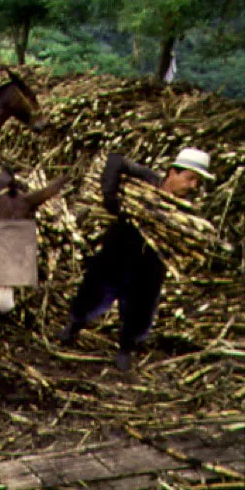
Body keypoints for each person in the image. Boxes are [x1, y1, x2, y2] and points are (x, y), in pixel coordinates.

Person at [58, 147, 214, 370]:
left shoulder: (184, 213)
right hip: (119, 246)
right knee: (94, 288)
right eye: (190, 179)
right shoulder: (147, 182)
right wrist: (109, 195)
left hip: (151, 262)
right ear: (173, 172)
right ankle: (73, 326)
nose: (193, 187)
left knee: (142, 303)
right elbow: (115, 159)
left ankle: (126, 348)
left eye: (197, 182)